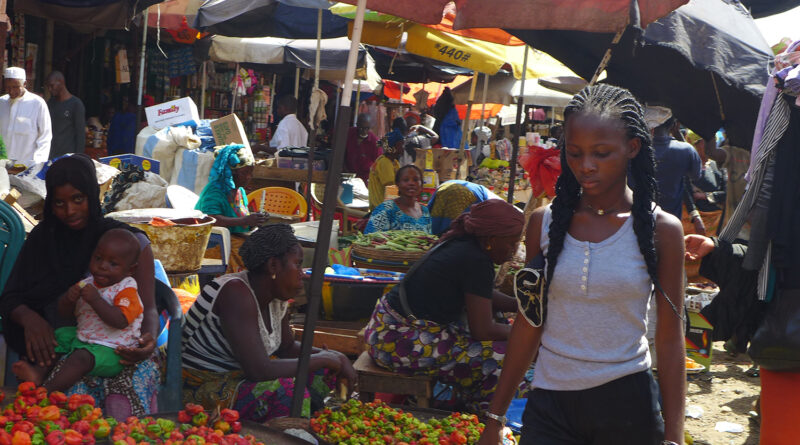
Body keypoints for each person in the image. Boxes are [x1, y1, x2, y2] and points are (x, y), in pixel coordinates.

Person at [479, 85, 686, 445]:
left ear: (632, 148)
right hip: (549, 407)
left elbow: (669, 339)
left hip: (629, 407)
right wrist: (495, 417)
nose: (586, 166)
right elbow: (529, 322)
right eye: (574, 154)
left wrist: (674, 435)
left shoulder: (662, 230)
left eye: (601, 153)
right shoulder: (544, 223)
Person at [0, 154, 159, 417]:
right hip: (67, 342)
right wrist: (29, 318)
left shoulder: (127, 243)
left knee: (122, 398)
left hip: (120, 347)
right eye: (59, 203)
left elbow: (149, 307)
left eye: (78, 199)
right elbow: (11, 296)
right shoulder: (43, 238)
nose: (70, 211)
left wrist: (148, 341)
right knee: (61, 406)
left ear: (92, 195)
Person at [364, 200, 529, 412]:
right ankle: (484, 416)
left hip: (383, 329)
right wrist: (526, 333)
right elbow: (482, 330)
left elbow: (481, 295)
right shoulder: (476, 260)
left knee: (498, 329)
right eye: (512, 243)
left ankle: (465, 403)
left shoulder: (462, 244)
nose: (514, 250)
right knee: (504, 357)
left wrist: (520, 306)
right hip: (397, 343)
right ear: (491, 240)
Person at [182, 224, 356, 421]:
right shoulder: (235, 293)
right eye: (298, 264)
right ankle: (294, 431)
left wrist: (336, 357)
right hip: (200, 385)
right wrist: (322, 358)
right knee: (285, 391)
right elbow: (258, 370)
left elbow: (286, 348)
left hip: (238, 376)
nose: (302, 273)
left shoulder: (275, 296)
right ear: (273, 266)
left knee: (324, 371)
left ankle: (317, 422)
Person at [13, 229, 143, 391]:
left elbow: (120, 321)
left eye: (113, 264)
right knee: (60, 335)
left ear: (130, 270)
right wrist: (68, 299)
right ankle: (38, 373)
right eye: (98, 258)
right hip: (86, 338)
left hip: (113, 349)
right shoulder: (88, 283)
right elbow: (65, 314)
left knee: (81, 357)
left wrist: (96, 300)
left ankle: (47, 391)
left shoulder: (126, 290)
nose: (102, 266)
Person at [196, 144, 268, 272]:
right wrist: (245, 220)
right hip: (214, 243)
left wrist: (255, 220)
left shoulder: (240, 191)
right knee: (251, 254)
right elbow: (211, 219)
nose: (249, 177)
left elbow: (241, 216)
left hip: (235, 238)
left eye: (251, 172)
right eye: (245, 173)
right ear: (230, 173)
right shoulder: (214, 192)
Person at [644, 106, 702, 223]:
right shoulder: (686, 150)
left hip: (639, 219)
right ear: (674, 125)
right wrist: (678, 135)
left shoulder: (634, 150)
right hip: (671, 222)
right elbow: (696, 176)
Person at [0, 67, 52, 165]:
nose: (11, 91)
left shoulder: (37, 103)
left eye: (15, 87)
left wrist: (36, 164)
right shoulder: (1, 102)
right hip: (2, 166)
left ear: (24, 84)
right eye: (8, 87)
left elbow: (45, 137)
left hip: (26, 166)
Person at [365, 165, 431, 234]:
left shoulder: (425, 211)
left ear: (421, 184)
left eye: (415, 180)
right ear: (397, 184)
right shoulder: (386, 209)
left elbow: (430, 238)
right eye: (406, 180)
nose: (411, 183)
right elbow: (369, 237)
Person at [427, 179, 500, 236]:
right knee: (453, 229)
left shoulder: (489, 196)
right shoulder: (499, 207)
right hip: (463, 192)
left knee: (437, 218)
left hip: (446, 185)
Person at [46, 71, 86, 159]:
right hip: (50, 156)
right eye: (48, 86)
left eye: (52, 85)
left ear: (61, 82)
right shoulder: (50, 103)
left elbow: (80, 135)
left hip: (67, 157)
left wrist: (78, 158)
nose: (49, 89)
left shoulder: (76, 104)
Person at [367, 129, 403, 210]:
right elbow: (391, 189)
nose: (403, 147)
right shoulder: (385, 163)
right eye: (401, 145)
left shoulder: (394, 162)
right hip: (381, 209)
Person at [345, 113, 380, 182]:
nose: (364, 131)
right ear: (357, 125)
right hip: (348, 176)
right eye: (361, 128)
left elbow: (378, 165)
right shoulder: (349, 133)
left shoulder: (375, 142)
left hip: (365, 179)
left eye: (367, 128)